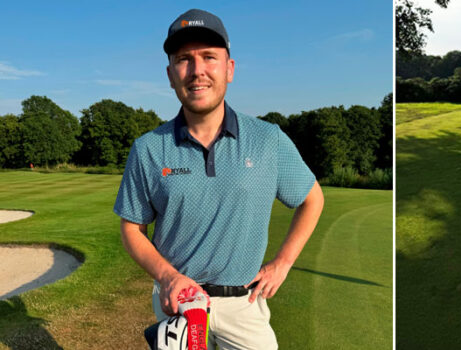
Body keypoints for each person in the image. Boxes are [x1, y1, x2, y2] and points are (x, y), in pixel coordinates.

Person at [113, 8, 324, 349]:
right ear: (170, 74)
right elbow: (131, 227)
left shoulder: (267, 139)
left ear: (229, 69)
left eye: (209, 57)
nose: (197, 71)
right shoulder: (149, 148)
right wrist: (167, 277)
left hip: (243, 306)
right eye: (184, 59)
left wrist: (282, 263)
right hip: (176, 306)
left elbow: (312, 199)